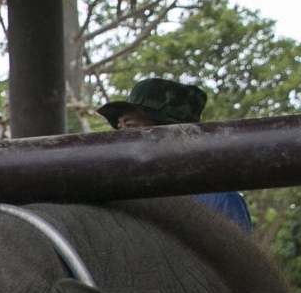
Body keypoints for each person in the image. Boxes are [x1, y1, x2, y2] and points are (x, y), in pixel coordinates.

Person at [97, 77, 255, 232]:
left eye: (130, 126)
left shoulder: (218, 199)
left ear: (168, 133)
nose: (120, 137)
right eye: (119, 127)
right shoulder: (116, 192)